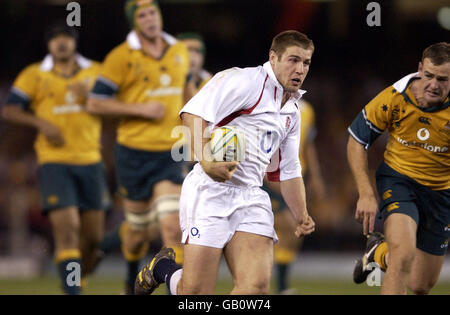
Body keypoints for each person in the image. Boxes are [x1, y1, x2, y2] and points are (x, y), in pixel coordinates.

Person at [135, 30, 316, 295]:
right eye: (293, 60)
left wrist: (301, 214)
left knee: (255, 290)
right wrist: (207, 161)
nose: (300, 69)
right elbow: (192, 113)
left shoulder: (292, 111)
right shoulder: (244, 81)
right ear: (273, 58)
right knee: (195, 294)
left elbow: (286, 170)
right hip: (210, 191)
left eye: (306, 63)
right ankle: (163, 268)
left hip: (252, 197)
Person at [87, 0, 192, 294]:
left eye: (153, 12)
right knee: (137, 233)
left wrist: (199, 132)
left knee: (173, 228)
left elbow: (188, 93)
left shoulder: (179, 51)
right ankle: (133, 281)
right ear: (135, 22)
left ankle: (180, 292)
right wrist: (141, 109)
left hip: (171, 153)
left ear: (160, 15)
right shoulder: (120, 57)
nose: (149, 19)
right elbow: (95, 102)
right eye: (142, 15)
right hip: (133, 155)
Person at [1, 22, 108, 295]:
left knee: (94, 239)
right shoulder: (35, 74)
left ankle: (76, 278)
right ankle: (73, 291)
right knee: (67, 227)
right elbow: (10, 110)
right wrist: (40, 123)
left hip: (91, 161)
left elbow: (118, 107)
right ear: (48, 45)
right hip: (53, 162)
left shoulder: (96, 72)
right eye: (55, 39)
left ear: (75, 43)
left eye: (66, 38)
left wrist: (92, 99)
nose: (61, 43)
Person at [347, 42, 449, 294]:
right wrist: (366, 193)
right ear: (419, 69)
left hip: (441, 193)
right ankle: (390, 253)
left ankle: (379, 253)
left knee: (420, 284)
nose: (433, 84)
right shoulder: (394, 97)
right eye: (429, 76)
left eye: (443, 79)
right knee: (403, 256)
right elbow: (357, 141)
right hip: (399, 181)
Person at [263, 99, 326, 294]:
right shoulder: (266, 106)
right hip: (269, 180)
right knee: (291, 227)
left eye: (304, 65)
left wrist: (315, 177)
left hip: (293, 178)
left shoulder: (307, 110)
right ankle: (272, 285)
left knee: (293, 234)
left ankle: (279, 286)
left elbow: (308, 145)